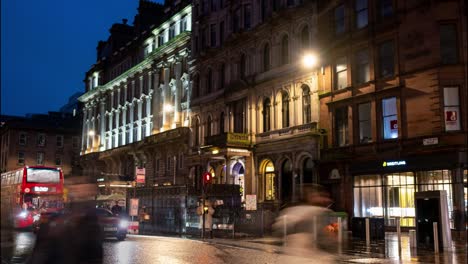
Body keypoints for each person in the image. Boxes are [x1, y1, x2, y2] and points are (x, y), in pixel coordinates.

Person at [273, 184, 336, 263]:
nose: (327, 199)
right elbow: (333, 238)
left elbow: (279, 231)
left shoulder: (288, 211)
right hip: (314, 259)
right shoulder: (326, 214)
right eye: (322, 196)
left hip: (290, 259)